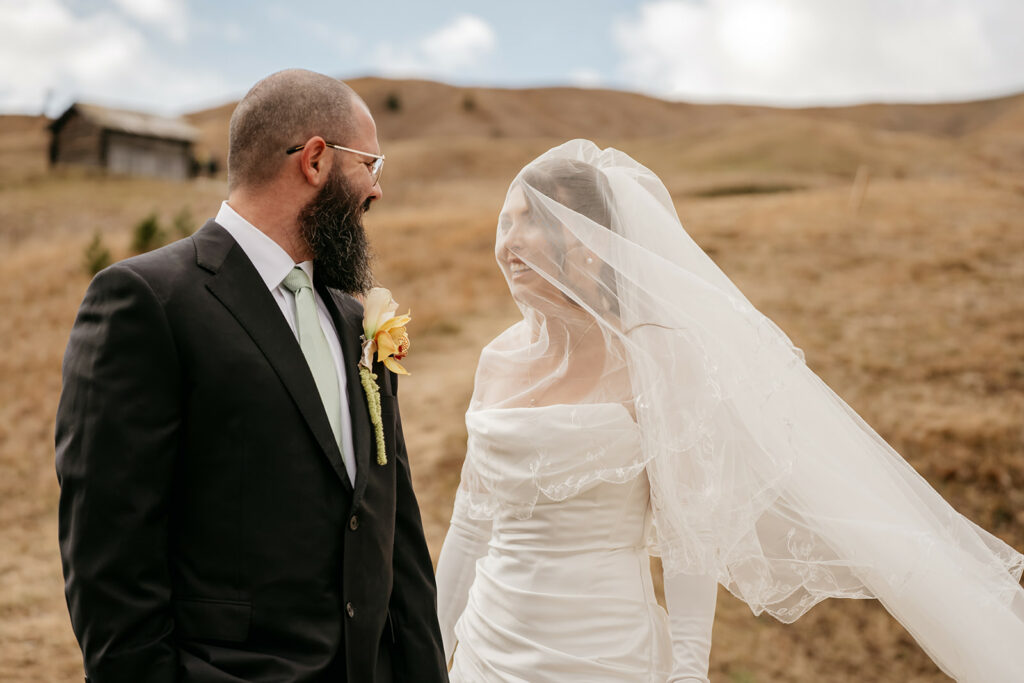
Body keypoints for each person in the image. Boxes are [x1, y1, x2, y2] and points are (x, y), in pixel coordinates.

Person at [435, 139, 1024, 682]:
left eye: (531, 220)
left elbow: (690, 538)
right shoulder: (496, 360)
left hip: (604, 653)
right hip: (488, 649)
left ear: (589, 239)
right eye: (504, 221)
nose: (506, 243)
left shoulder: (657, 357)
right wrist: (430, 648)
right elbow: (469, 523)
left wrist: (688, 669)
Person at [55, 69, 448, 682]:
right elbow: (111, 567)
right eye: (371, 165)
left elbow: (397, 540)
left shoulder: (355, 320)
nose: (377, 189)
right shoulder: (148, 301)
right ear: (316, 160)